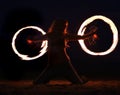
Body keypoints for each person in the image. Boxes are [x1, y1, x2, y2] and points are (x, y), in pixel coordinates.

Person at [32, 19, 98, 84]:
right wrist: (31, 39)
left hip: (65, 63)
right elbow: (38, 39)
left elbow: (81, 37)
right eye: (63, 25)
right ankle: (46, 78)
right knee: (37, 82)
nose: (64, 27)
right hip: (52, 63)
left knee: (78, 82)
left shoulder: (65, 36)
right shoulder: (49, 35)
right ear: (57, 25)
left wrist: (91, 34)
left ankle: (80, 79)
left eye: (65, 25)